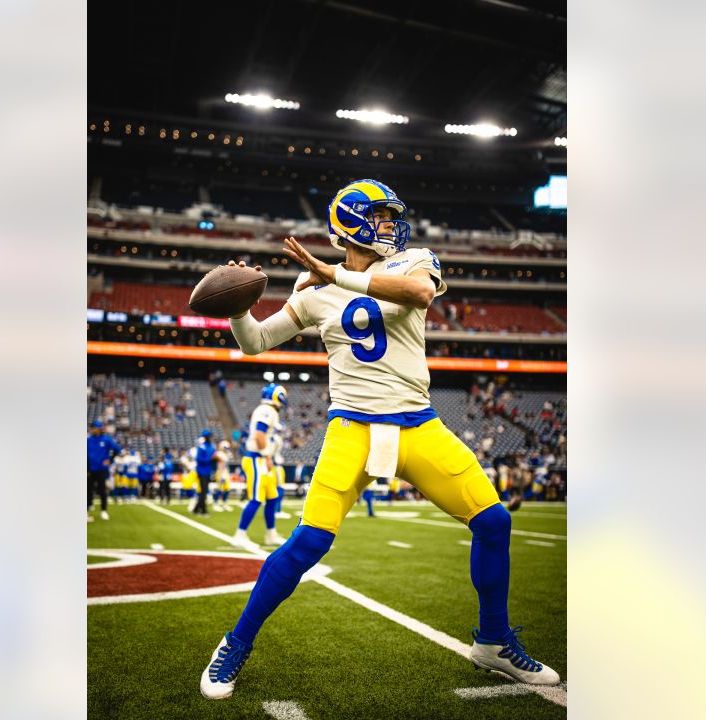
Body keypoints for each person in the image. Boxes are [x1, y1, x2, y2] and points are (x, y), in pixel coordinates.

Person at [200, 179, 559, 700]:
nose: (393, 225)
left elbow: (417, 295)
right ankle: (234, 644)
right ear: (352, 221)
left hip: (419, 425)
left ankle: (494, 642)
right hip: (353, 429)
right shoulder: (316, 294)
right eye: (382, 217)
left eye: (393, 217)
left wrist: (337, 275)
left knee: (494, 521)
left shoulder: (414, 261)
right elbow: (255, 343)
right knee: (308, 543)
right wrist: (238, 308)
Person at [232, 383, 288, 548]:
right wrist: (267, 456)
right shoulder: (267, 410)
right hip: (258, 459)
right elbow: (259, 435)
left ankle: (271, 535)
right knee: (256, 499)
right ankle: (239, 535)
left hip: (262, 459)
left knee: (272, 498)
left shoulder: (268, 411)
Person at [87, 421, 119, 521]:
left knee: (102, 490)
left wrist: (110, 459)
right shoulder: (88, 440)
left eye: (95, 427)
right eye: (92, 427)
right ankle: (87, 510)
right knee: (88, 490)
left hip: (102, 470)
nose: (93, 429)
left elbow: (117, 449)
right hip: (90, 470)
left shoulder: (106, 439)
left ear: (100, 428)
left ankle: (104, 510)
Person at [192, 429, 217, 516]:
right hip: (202, 471)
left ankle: (196, 509)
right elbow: (199, 459)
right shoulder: (202, 447)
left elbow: (214, 458)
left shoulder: (211, 447)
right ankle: (203, 509)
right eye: (209, 436)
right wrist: (210, 459)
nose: (210, 438)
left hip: (208, 471)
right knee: (204, 491)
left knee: (204, 490)